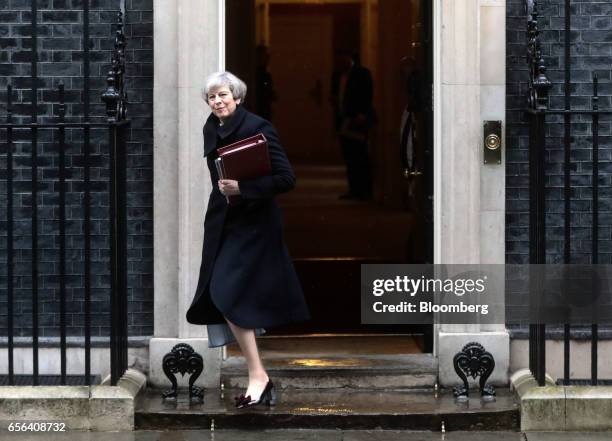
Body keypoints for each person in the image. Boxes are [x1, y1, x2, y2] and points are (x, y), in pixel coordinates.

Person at [186, 71, 310, 409]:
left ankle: (258, 375)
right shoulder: (211, 127)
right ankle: (259, 376)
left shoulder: (259, 127)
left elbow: (286, 179)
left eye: (223, 95)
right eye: (212, 97)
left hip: (254, 225)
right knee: (223, 294)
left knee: (226, 292)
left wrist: (244, 188)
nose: (218, 101)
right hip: (223, 223)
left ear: (237, 97)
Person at [331, 50, 376, 200]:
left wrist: (362, 114)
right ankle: (354, 189)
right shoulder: (337, 75)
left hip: (357, 120)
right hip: (344, 119)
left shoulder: (362, 74)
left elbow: (367, 94)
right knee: (349, 156)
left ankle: (365, 190)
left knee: (360, 156)